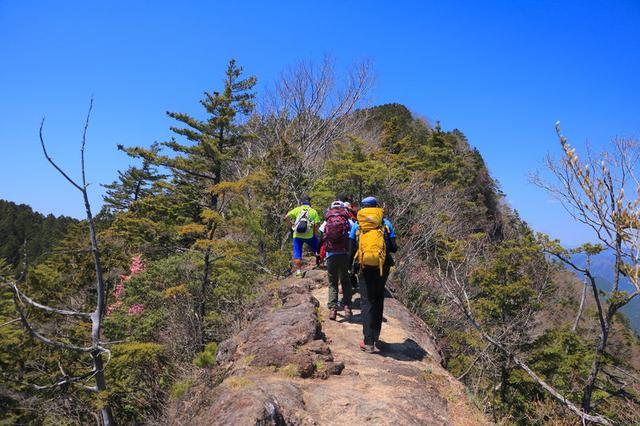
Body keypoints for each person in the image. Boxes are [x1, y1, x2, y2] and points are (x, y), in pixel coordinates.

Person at [349, 196, 398, 353]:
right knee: (378, 298)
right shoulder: (386, 223)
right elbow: (394, 248)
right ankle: (376, 335)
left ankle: (368, 342)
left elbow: (351, 249)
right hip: (382, 267)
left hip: (364, 267)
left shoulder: (357, 225)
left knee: (366, 301)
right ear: (376, 206)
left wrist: (350, 269)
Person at [319, 200, 353, 320]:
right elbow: (353, 235)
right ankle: (347, 307)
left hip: (331, 254)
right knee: (345, 281)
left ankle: (333, 309)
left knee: (333, 283)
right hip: (344, 254)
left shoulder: (327, 220)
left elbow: (321, 236)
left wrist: (319, 254)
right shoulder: (347, 220)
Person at [284, 196, 321, 278]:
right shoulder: (313, 211)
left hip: (297, 235)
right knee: (317, 249)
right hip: (309, 235)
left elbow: (286, 217)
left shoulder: (297, 209)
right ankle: (320, 264)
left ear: (301, 202)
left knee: (297, 253)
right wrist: (315, 234)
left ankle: (298, 272)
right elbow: (317, 224)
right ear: (309, 202)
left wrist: (291, 226)